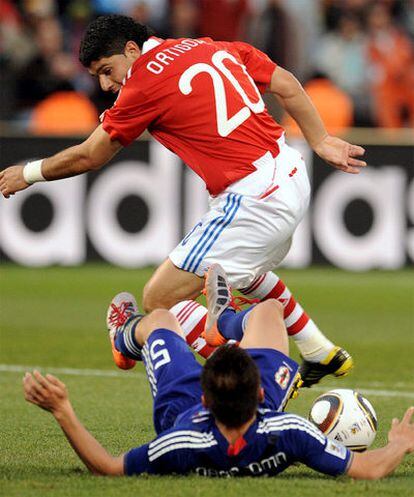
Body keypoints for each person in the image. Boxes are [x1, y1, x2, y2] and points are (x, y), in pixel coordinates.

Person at [1, 14, 367, 386]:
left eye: (107, 70)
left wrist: (29, 173)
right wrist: (320, 140)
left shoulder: (144, 80)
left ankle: (253, 381)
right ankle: (317, 350)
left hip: (253, 196)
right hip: (289, 171)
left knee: (160, 299)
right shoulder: (207, 45)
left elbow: (90, 155)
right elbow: (286, 83)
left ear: (132, 50)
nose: (106, 83)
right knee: (244, 272)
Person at [23, 264, 414, 478]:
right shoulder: (288, 433)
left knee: (160, 317)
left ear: (205, 396)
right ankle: (222, 322)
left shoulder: (183, 442)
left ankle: (123, 339)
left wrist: (63, 410)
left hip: (180, 405)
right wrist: (398, 443)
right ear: (261, 394)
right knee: (269, 310)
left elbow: (108, 467)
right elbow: (366, 467)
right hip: (248, 413)